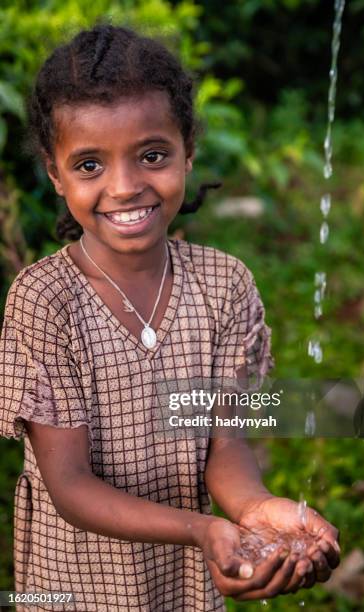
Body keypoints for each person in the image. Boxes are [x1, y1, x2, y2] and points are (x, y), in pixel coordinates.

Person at [0, 23, 340, 611]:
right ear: (55, 176)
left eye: (152, 155)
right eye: (88, 166)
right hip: (76, 583)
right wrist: (198, 528)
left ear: (188, 150)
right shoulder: (46, 301)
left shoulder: (223, 285)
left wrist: (251, 509)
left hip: (184, 581)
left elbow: (222, 443)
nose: (126, 186)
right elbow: (70, 486)